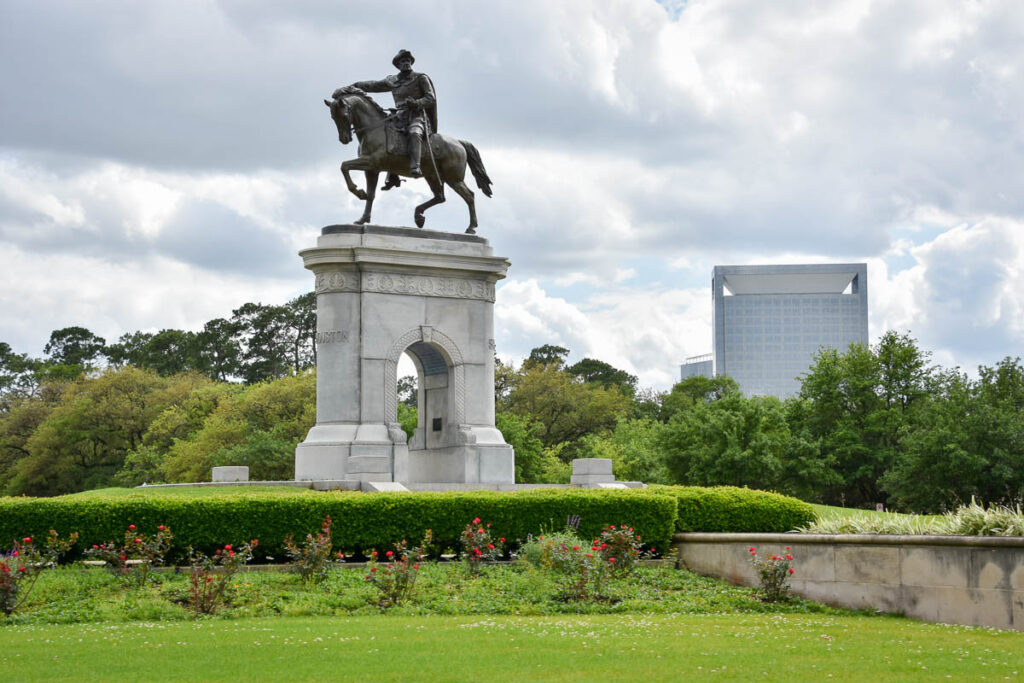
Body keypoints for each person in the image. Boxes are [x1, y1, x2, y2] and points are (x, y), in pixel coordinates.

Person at [349, 49, 437, 178]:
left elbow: (431, 98)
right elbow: (374, 85)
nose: (406, 63)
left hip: (417, 116)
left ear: (411, 62)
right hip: (399, 117)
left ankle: (415, 166)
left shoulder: (420, 78)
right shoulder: (393, 81)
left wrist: (416, 103)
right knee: (385, 136)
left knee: (414, 133)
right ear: (398, 65)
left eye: (408, 60)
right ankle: (392, 176)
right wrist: (355, 86)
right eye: (403, 61)